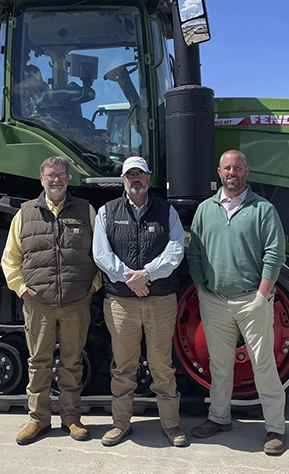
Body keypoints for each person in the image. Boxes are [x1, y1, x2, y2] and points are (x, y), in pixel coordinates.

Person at [187, 149, 288, 456]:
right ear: (219, 172)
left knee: (263, 365)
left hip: (251, 300)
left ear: (247, 171)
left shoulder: (263, 210)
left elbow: (275, 253)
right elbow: (195, 251)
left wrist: (262, 295)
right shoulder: (205, 209)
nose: (232, 172)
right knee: (219, 365)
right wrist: (201, 286)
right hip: (214, 299)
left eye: (237, 168)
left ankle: (276, 428)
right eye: (227, 168)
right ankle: (219, 418)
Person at [1, 156, 102, 445]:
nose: (56, 179)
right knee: (39, 362)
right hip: (38, 303)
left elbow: (100, 252)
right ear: (41, 179)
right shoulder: (24, 214)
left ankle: (72, 417)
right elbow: (11, 258)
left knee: (72, 361)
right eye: (50, 175)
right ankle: (38, 420)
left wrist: (94, 285)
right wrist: (22, 289)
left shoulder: (86, 211)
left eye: (60, 174)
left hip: (76, 301)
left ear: (68, 179)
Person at [92, 156, 186, 447]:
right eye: (130, 174)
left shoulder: (166, 211)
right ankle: (120, 424)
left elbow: (176, 249)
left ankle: (171, 425)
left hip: (159, 300)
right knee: (123, 366)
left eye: (140, 174)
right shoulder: (107, 212)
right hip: (121, 303)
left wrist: (146, 274)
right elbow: (101, 254)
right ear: (123, 180)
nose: (135, 179)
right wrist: (128, 278)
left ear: (149, 177)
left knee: (162, 366)